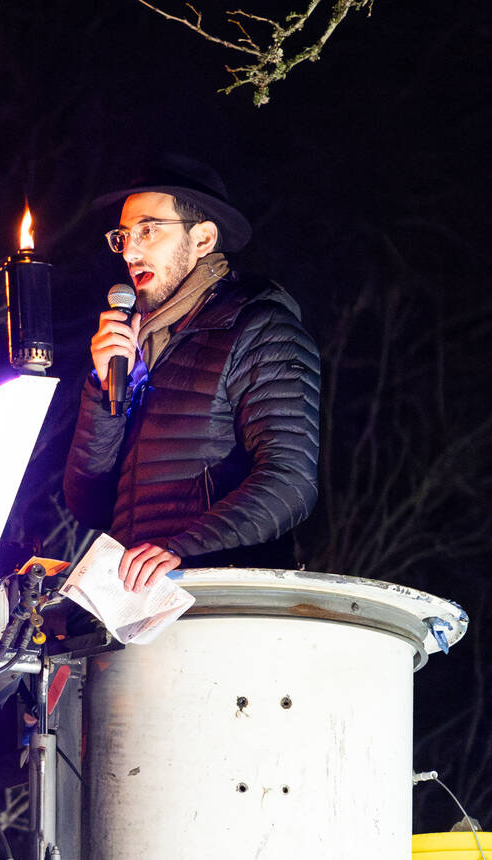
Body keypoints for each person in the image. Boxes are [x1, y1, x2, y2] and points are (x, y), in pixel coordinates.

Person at [63, 157, 322, 591]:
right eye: (124, 235)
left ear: (201, 238)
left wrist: (184, 547)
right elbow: (89, 505)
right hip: (140, 603)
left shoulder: (258, 328)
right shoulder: (135, 347)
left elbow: (290, 481)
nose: (130, 250)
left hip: (223, 597)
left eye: (149, 230)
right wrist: (104, 391)